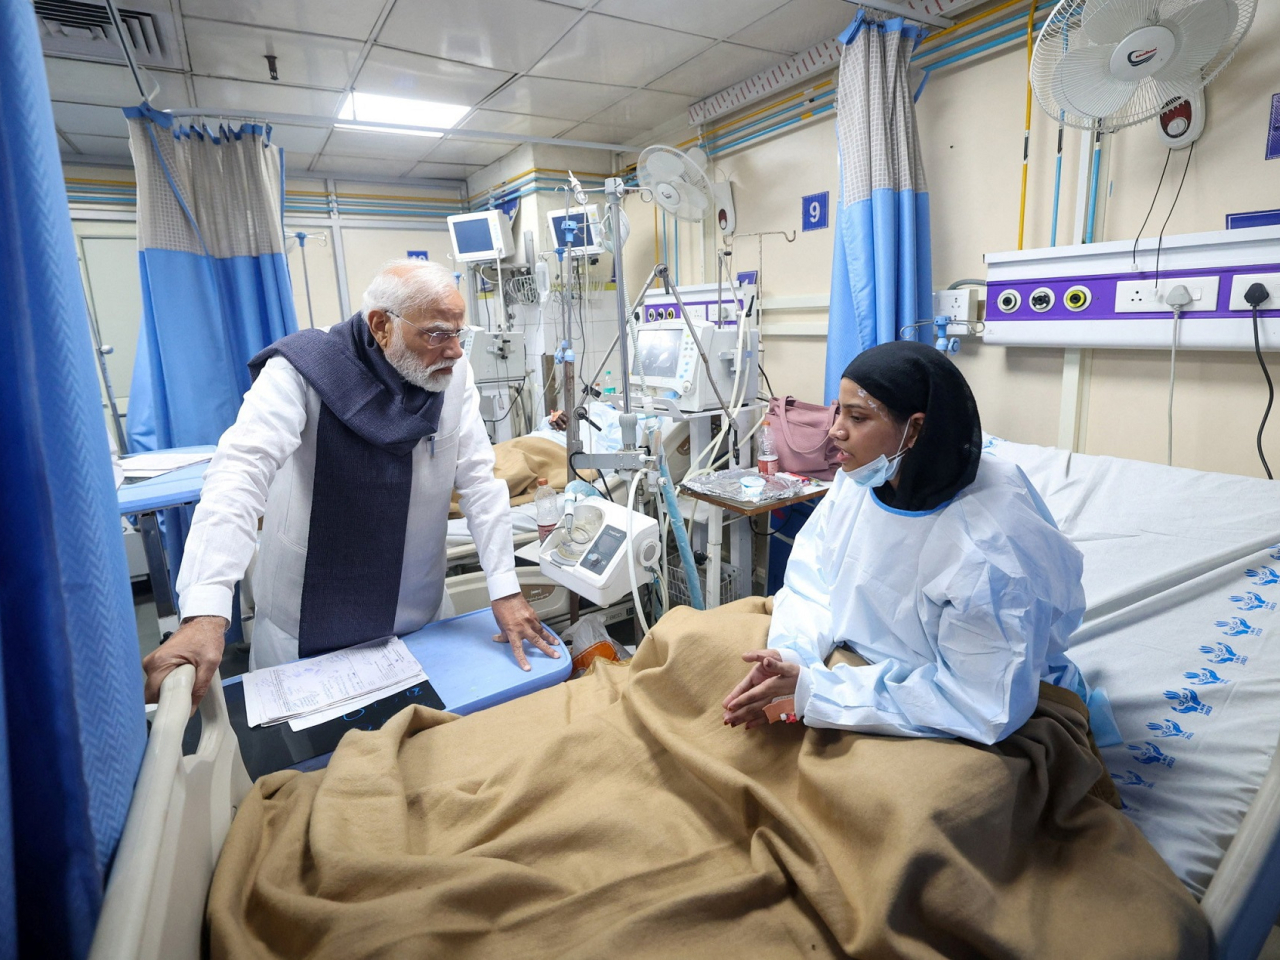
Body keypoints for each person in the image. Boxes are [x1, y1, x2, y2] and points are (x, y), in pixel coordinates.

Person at [142, 258, 558, 707]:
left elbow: (479, 481)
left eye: (459, 333)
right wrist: (205, 611)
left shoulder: (453, 377)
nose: (455, 350)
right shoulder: (301, 371)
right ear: (382, 325)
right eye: (437, 334)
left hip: (419, 616)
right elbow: (237, 476)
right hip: (308, 624)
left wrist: (505, 587)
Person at [723, 340, 1116, 745]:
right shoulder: (862, 478)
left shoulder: (989, 551)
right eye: (838, 410)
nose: (835, 431)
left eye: (857, 417)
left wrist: (815, 691)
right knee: (690, 643)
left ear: (916, 429)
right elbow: (814, 581)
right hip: (848, 661)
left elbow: (980, 703)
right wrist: (790, 657)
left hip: (946, 699)